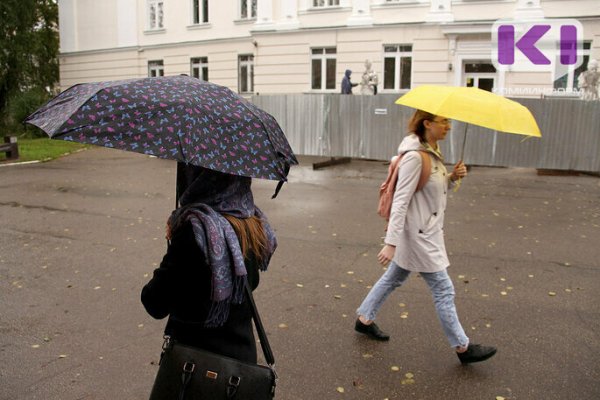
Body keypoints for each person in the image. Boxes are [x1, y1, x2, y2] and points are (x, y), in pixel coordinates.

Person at [354, 110, 497, 364]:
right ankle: (463, 348)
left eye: (450, 122)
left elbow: (432, 191)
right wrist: (391, 243)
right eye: (444, 122)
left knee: (393, 278)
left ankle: (364, 319)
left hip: (424, 231)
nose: (449, 127)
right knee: (443, 289)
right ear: (427, 124)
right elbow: (400, 201)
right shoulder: (416, 158)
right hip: (418, 235)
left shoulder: (433, 153)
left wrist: (452, 177)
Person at [141, 164, 277, 364]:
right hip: (240, 366)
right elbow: (250, 284)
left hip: (195, 368)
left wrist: (175, 245)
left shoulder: (194, 231)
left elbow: (155, 303)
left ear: (198, 177)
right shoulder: (253, 223)